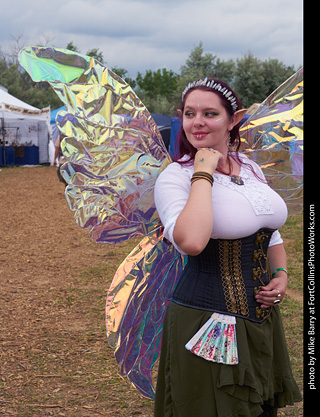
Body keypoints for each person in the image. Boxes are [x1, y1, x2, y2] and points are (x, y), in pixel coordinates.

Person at [154, 78, 302, 417]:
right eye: (190, 113)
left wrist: (280, 275)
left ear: (233, 120)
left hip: (260, 319)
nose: (198, 122)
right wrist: (202, 172)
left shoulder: (249, 167)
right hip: (206, 321)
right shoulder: (176, 177)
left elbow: (272, 234)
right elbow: (191, 242)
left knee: (258, 408)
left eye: (210, 113)